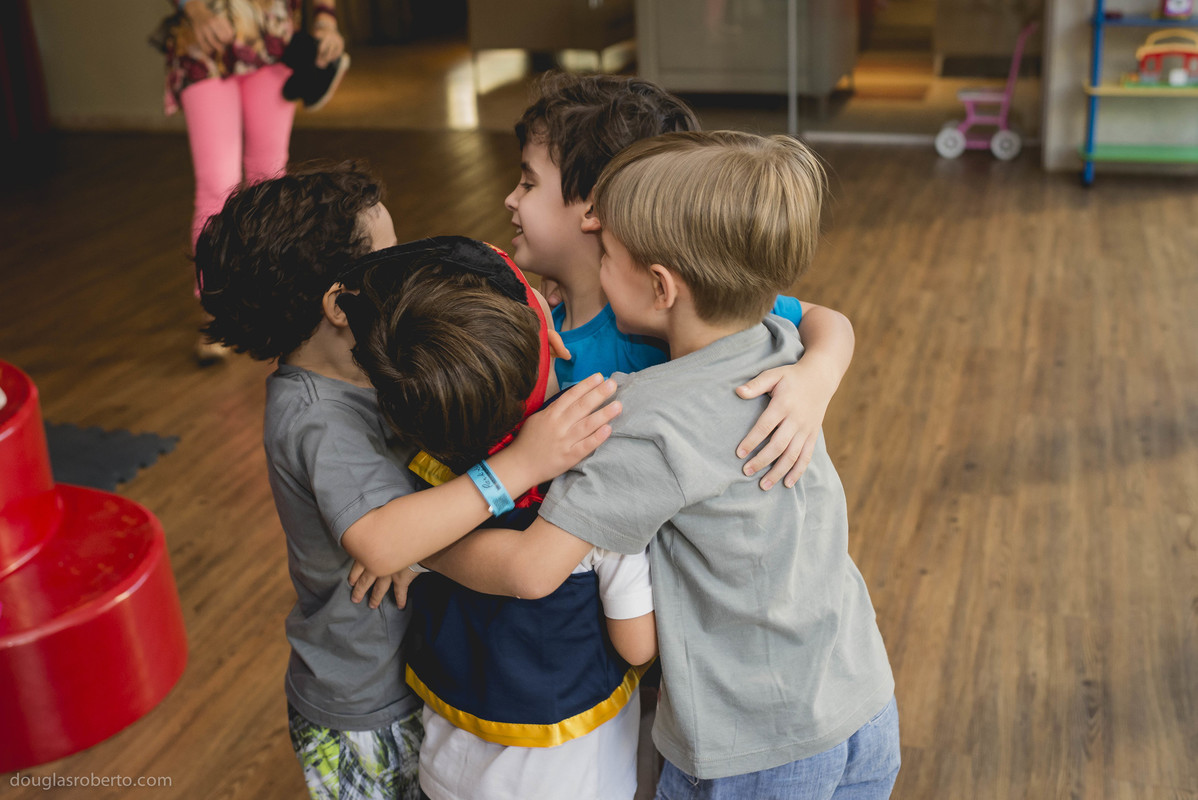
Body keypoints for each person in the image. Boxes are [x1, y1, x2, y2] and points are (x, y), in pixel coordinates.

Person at [417, 131, 901, 799]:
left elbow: (532, 571)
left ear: (661, 286)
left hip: (753, 749)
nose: (595, 257)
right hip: (863, 702)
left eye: (606, 251)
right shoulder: (779, 345)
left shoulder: (639, 425)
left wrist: (424, 548)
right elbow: (828, 326)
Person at [193, 165, 621, 800]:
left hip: (419, 667)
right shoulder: (314, 415)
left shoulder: (372, 369)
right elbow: (383, 544)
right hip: (366, 701)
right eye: (391, 259)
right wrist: (521, 466)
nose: (408, 269)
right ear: (340, 305)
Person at [339, 236, 656, 800]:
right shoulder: (598, 480)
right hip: (570, 775)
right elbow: (637, 645)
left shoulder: (420, 475)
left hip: (445, 757)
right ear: (548, 332)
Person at [504, 72, 856, 491]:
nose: (511, 197)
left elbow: (826, 319)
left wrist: (817, 378)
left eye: (528, 183)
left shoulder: (691, 307)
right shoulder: (537, 333)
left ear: (597, 205)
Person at [159, 0, 346, 362]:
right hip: (203, 43)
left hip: (272, 41)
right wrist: (195, 12)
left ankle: (270, 299)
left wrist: (326, 20)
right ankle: (216, 311)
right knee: (218, 185)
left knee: (271, 180)